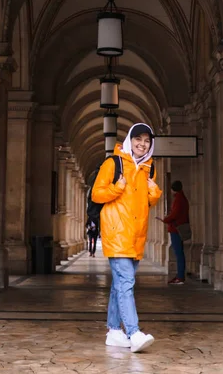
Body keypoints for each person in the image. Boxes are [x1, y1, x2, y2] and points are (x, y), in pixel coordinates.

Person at [92, 123, 162, 353]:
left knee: (119, 284)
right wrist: (117, 187)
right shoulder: (113, 163)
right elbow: (97, 194)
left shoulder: (149, 169)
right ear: (130, 140)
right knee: (127, 283)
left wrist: (155, 192)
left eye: (147, 141)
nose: (142, 144)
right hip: (116, 231)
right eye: (138, 139)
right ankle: (133, 332)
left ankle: (113, 330)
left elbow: (146, 202)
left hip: (136, 234)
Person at [156, 180, 189, 285]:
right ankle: (180, 276)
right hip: (178, 228)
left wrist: (164, 219)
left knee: (179, 253)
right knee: (179, 253)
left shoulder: (178, 199)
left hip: (176, 229)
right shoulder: (182, 198)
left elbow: (174, 214)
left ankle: (180, 277)